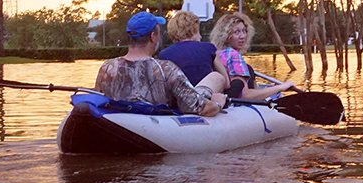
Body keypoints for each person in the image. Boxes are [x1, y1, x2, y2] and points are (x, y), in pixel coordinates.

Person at [94, 11, 226, 117]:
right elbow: (202, 108)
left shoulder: (107, 68)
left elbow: (98, 101)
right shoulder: (166, 69)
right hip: (157, 127)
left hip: (122, 121)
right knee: (216, 77)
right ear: (153, 37)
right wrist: (217, 103)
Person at [209, 12, 296, 101]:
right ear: (226, 36)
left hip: (222, 101)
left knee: (249, 69)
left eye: (244, 31)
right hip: (235, 105)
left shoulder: (217, 53)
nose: (242, 36)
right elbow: (245, 95)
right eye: (236, 32)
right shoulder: (234, 56)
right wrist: (281, 87)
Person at [160, 10, 229, 96]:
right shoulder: (209, 48)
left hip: (177, 102)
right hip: (204, 102)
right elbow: (226, 83)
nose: (200, 37)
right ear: (192, 31)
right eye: (198, 31)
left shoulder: (164, 54)